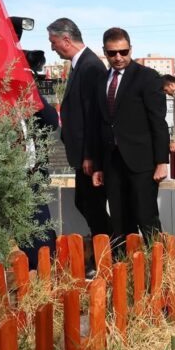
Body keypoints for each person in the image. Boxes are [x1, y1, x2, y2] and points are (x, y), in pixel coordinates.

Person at [91, 28, 170, 248]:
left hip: (142, 163)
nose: (118, 57)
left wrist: (162, 162)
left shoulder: (147, 77)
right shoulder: (100, 81)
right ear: (105, 52)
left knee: (146, 217)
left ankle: (159, 270)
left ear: (130, 49)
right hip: (112, 163)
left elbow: (158, 122)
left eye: (123, 52)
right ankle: (124, 271)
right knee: (119, 220)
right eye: (112, 53)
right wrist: (98, 165)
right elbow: (100, 126)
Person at [46, 18, 110, 239]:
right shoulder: (79, 64)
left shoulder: (90, 66)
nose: (52, 47)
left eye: (53, 42)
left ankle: (110, 251)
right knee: (85, 202)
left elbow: (93, 116)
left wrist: (90, 155)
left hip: (88, 155)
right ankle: (107, 247)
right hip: (81, 154)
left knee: (92, 205)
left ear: (66, 39)